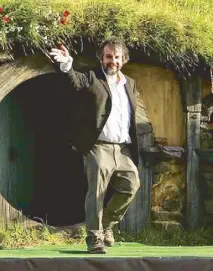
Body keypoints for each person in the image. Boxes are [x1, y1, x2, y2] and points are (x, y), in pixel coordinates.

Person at [49, 37, 141, 254]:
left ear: (123, 59)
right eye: (108, 56)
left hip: (123, 148)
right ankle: (94, 238)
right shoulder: (92, 78)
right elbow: (74, 81)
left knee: (132, 185)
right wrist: (66, 64)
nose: (112, 61)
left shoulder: (130, 83)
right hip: (98, 146)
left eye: (117, 57)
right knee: (97, 192)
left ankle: (107, 224)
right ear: (101, 57)